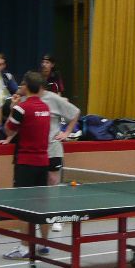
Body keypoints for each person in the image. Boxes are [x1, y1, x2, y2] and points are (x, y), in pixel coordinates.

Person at [1, 72, 52, 260]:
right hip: (43, 162)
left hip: (25, 162)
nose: (20, 87)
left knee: (24, 207)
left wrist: (12, 109)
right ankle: (44, 244)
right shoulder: (46, 108)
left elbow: (8, 130)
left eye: (22, 84)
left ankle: (24, 247)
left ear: (27, 87)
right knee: (42, 205)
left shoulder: (21, 108)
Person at [35, 85, 81, 233]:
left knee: (53, 184)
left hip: (53, 149)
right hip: (36, 151)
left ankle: (56, 218)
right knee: (39, 186)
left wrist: (66, 132)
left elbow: (75, 112)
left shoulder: (55, 100)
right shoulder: (27, 99)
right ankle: (40, 218)